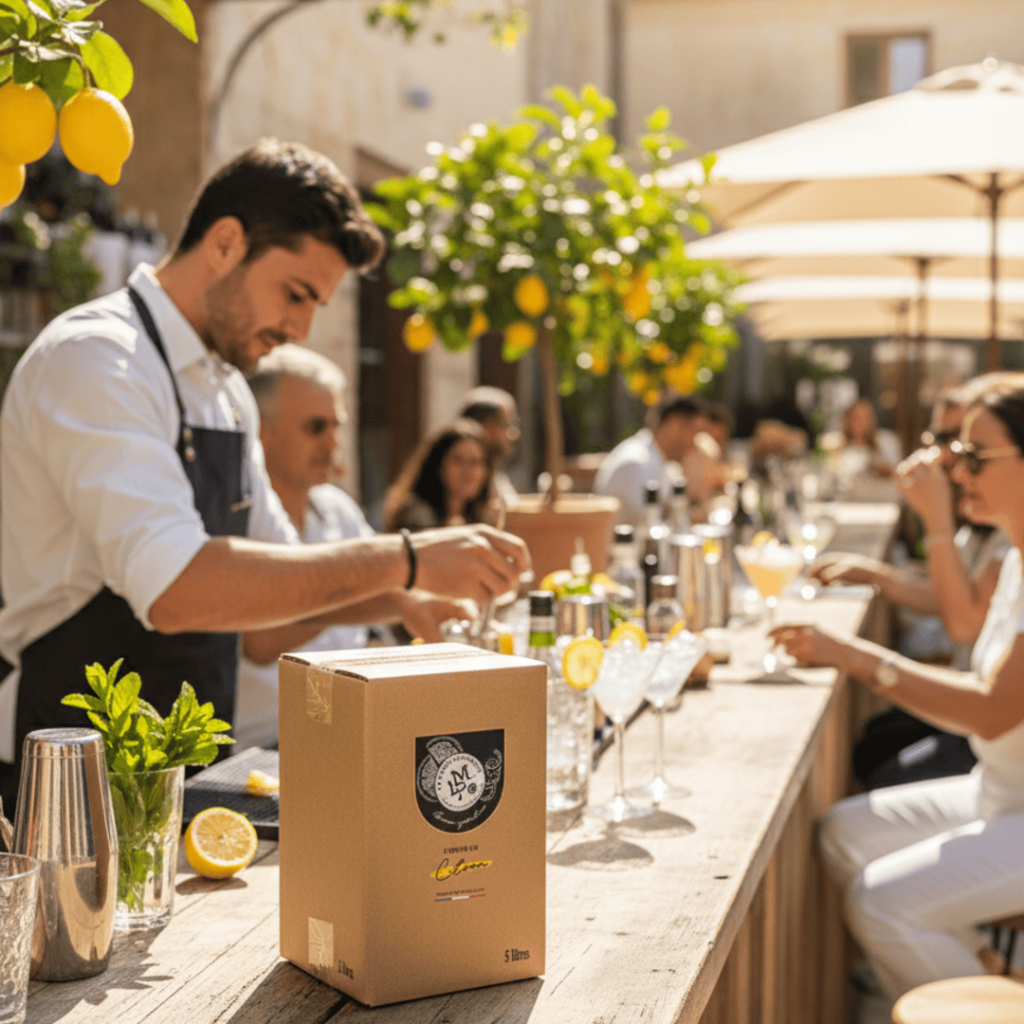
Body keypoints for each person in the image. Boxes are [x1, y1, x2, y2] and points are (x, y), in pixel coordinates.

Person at [0, 140, 528, 808]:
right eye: (296, 293)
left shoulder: (226, 393)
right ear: (225, 243)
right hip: (73, 780)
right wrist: (406, 560)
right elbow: (176, 591)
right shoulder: (99, 361)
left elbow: (270, 625)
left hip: (196, 776)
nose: (302, 328)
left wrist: (397, 597)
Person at [769, 375, 1024, 1004]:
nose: (954, 469)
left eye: (971, 456)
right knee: (843, 834)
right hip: (1001, 791)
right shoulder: (1016, 555)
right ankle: (989, 978)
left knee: (880, 904)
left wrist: (852, 655)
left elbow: (991, 711)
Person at [236, 345, 467, 750]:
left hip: (350, 729)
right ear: (261, 431)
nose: (332, 443)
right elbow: (259, 642)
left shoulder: (336, 508)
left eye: (336, 427)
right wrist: (383, 589)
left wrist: (418, 602)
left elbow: (385, 591)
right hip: (267, 747)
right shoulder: (238, 519)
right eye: (315, 427)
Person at [812, 377, 1016, 787]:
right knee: (872, 745)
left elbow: (964, 621)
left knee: (874, 763)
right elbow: (954, 593)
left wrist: (935, 522)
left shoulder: (1009, 535)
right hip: (980, 718)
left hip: (987, 738)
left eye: (965, 446)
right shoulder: (996, 530)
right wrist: (877, 576)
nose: (947, 457)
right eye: (940, 438)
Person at [594, 395, 715, 526]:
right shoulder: (635, 464)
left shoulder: (659, 462)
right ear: (675, 426)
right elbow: (649, 529)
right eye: (696, 432)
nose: (697, 444)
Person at [382, 419, 500, 532]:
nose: (468, 470)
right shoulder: (417, 514)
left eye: (475, 462)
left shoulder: (479, 516)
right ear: (438, 465)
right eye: (458, 460)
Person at [458, 386, 520, 502]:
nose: (514, 434)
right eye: (507, 424)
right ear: (483, 426)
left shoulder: (495, 474)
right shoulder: (465, 479)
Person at [821, 397, 903, 478]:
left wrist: (880, 468)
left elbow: (898, 470)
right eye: (857, 418)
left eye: (866, 417)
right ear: (847, 420)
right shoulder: (836, 443)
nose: (862, 422)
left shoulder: (886, 440)